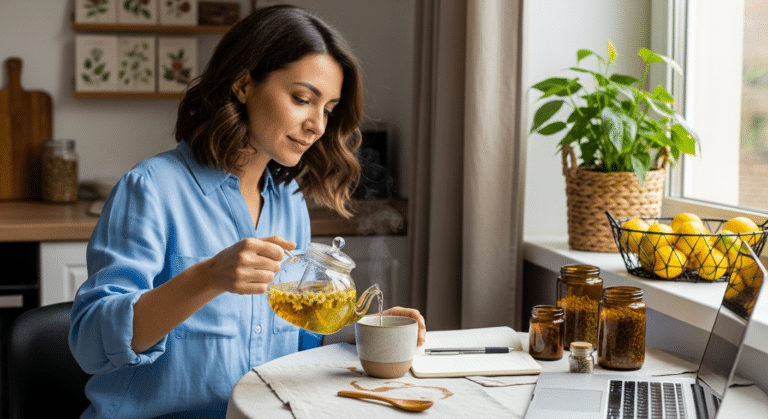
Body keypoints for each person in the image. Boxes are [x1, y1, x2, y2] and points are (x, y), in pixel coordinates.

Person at [68, 5, 426, 418]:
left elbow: (297, 342)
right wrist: (207, 277)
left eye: (327, 109)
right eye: (302, 99)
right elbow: (90, 344)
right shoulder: (152, 189)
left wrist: (364, 334)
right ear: (243, 84)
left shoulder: (288, 202)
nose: (317, 126)